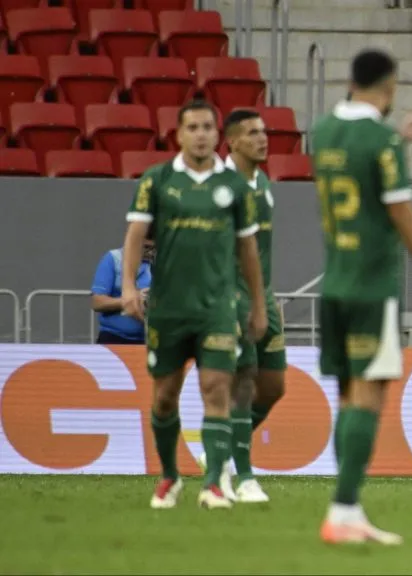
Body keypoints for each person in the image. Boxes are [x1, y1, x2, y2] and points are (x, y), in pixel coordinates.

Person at [312, 49, 412, 545]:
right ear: (389, 84)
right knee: (369, 396)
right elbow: (401, 213)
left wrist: (398, 139)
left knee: (348, 397)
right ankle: (344, 510)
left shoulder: (323, 132)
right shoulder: (381, 140)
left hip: (334, 282)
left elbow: (360, 160)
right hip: (373, 285)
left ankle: (346, 506)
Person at [121, 99, 268, 510]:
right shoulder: (157, 180)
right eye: (193, 127)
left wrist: (257, 304)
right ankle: (169, 475)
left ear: (217, 134)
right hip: (168, 307)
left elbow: (248, 249)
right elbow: (135, 234)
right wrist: (130, 286)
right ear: (179, 134)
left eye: (208, 127)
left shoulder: (236, 187)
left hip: (217, 308)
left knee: (215, 388)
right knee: (164, 396)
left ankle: (213, 484)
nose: (201, 134)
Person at [197, 108, 287, 503]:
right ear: (232, 142)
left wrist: (266, 296)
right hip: (232, 298)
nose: (262, 139)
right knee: (243, 385)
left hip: (264, 296)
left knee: (274, 387)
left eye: (264, 132)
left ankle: (220, 451)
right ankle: (244, 476)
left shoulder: (263, 181)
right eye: (252, 133)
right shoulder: (221, 187)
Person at [90, 234, 155, 344]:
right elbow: (97, 302)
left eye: (154, 248)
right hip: (113, 337)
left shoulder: (159, 263)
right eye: (146, 247)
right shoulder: (113, 259)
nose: (151, 252)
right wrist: (132, 299)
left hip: (149, 339)